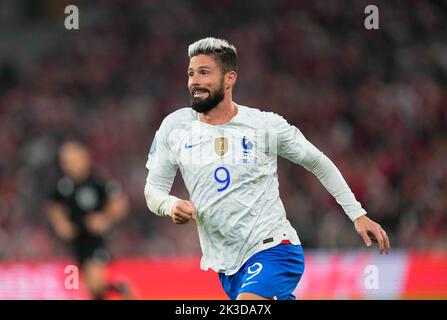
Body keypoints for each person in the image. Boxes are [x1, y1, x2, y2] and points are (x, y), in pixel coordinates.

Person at [144, 37, 391, 300]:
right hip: (228, 266)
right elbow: (153, 190)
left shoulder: (264, 126)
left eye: (204, 73)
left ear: (229, 79)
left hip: (273, 248)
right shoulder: (175, 127)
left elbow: (317, 161)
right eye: (191, 73)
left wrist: (357, 214)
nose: (194, 81)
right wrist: (169, 205)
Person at [47, 140, 131, 299]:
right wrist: (61, 224)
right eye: (64, 161)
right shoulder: (63, 185)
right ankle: (120, 289)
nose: (67, 165)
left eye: (70, 160)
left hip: (96, 238)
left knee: (95, 281)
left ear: (84, 158)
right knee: (92, 289)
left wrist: (105, 218)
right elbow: (54, 206)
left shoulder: (98, 181)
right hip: (77, 239)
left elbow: (120, 204)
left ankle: (121, 289)